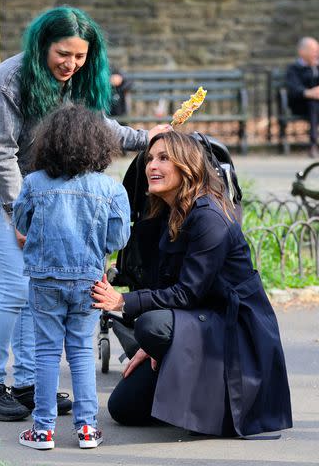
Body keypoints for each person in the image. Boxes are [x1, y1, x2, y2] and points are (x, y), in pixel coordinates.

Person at [0, 5, 170, 422]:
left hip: (42, 194)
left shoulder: (75, 80)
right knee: (15, 287)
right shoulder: (8, 80)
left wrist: (148, 138)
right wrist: (20, 212)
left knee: (34, 285)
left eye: (80, 57)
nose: (71, 64)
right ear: (43, 44)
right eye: (64, 54)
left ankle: (25, 386)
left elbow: (100, 126)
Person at [91, 131, 293, 437]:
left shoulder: (209, 216)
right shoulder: (165, 211)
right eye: (150, 158)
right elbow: (165, 282)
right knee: (123, 408)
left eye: (163, 158)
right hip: (196, 318)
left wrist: (123, 304)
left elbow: (187, 293)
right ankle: (181, 379)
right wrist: (154, 348)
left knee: (151, 326)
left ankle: (212, 401)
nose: (151, 166)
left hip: (231, 326)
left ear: (186, 166)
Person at [13, 104, 130, 449]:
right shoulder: (110, 189)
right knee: (80, 351)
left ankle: (43, 430)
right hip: (89, 279)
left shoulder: (34, 182)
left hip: (45, 279)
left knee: (46, 352)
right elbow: (118, 239)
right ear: (99, 145)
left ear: (48, 144)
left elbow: (21, 224)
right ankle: (87, 430)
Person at [286, 37, 319, 157]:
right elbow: (294, 88)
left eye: (317, 50)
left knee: (315, 104)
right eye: (313, 50)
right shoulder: (294, 68)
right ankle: (313, 144)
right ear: (302, 51)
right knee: (313, 103)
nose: (316, 53)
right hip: (300, 104)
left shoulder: (317, 67)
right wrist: (308, 93)